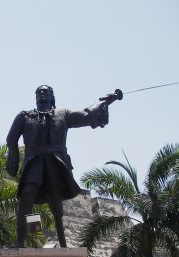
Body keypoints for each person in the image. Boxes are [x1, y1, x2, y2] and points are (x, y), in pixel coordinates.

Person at [6, 85, 111, 247]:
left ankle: (63, 243)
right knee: (26, 197)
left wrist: (103, 103)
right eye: (39, 91)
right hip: (34, 162)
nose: (42, 93)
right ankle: (19, 243)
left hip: (55, 163)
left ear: (52, 96)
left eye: (46, 91)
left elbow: (85, 115)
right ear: (35, 96)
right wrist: (12, 161)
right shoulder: (24, 116)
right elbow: (11, 140)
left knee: (56, 204)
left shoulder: (63, 114)